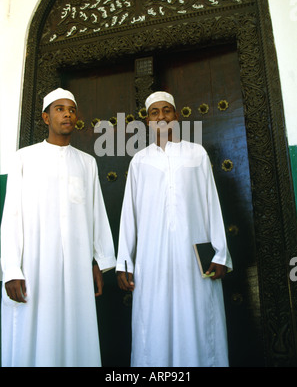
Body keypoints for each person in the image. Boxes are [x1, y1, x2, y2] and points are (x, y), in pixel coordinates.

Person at [1, 88, 116, 367]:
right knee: (33, 334)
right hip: (35, 266)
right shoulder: (24, 158)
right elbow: (12, 216)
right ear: (45, 117)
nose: (67, 114)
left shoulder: (87, 163)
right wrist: (12, 270)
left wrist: (99, 261)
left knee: (76, 334)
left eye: (72, 109)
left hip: (76, 268)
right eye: (59, 109)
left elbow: (96, 213)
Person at [116, 91, 232, 367]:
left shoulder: (196, 154)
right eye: (155, 112)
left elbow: (211, 204)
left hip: (194, 260)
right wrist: (124, 262)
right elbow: (128, 216)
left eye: (166, 110)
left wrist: (220, 254)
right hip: (151, 259)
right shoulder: (139, 162)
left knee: (198, 319)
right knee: (154, 322)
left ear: (176, 116)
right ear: (147, 121)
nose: (161, 117)